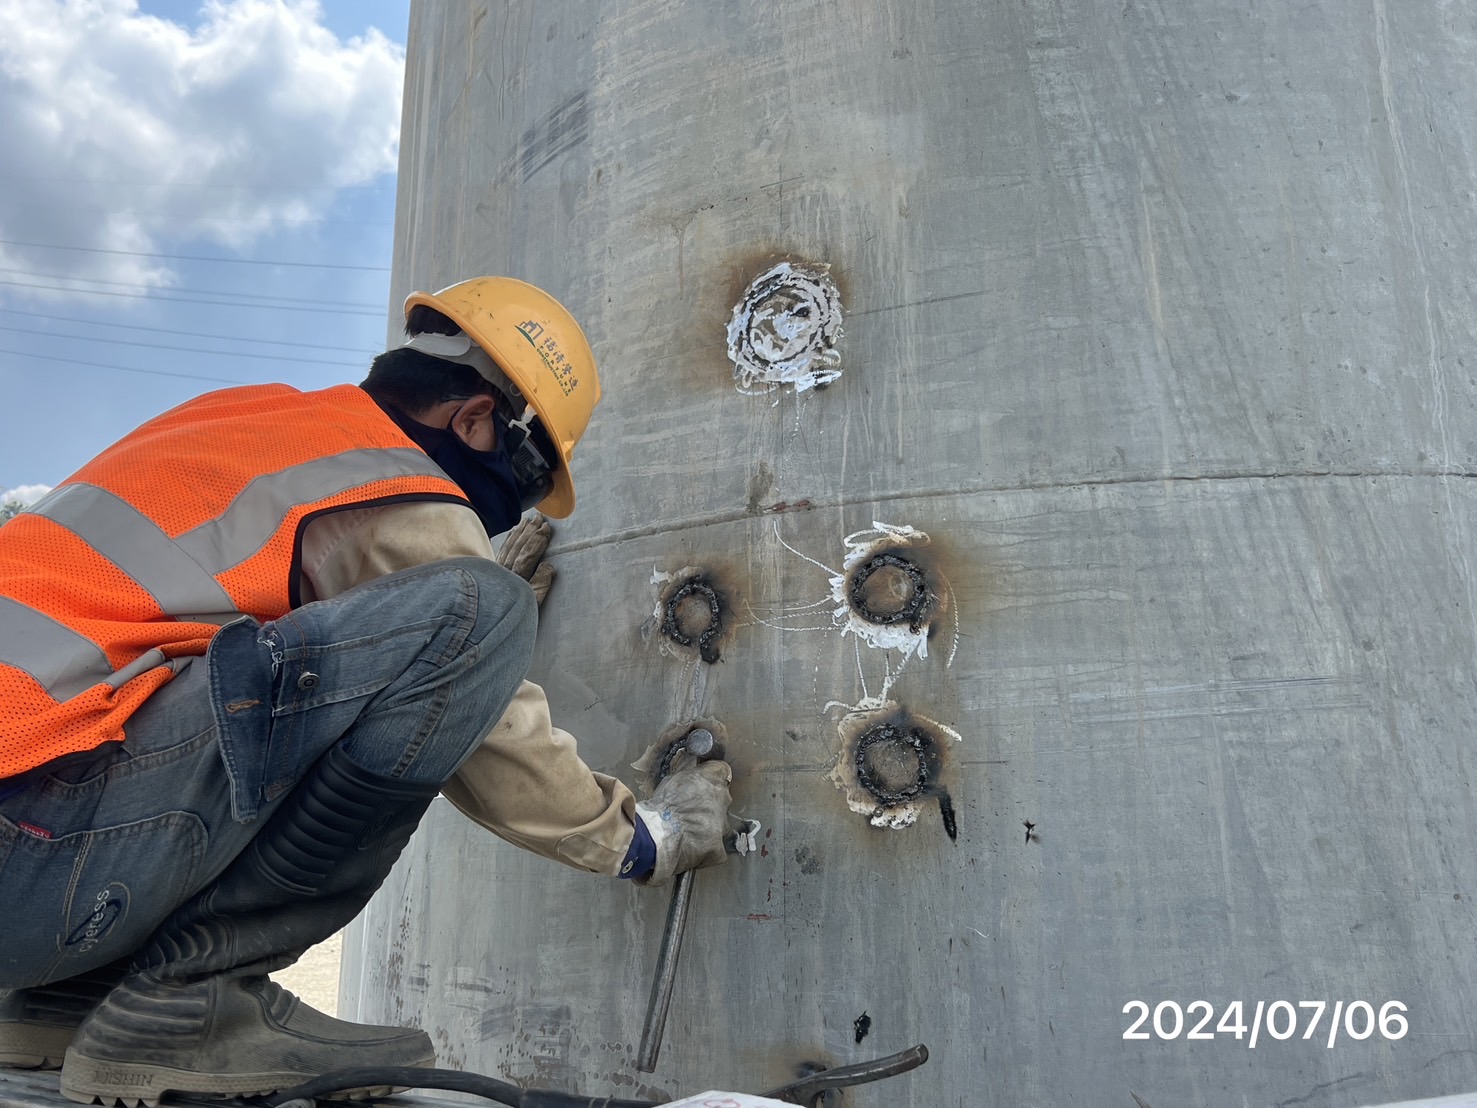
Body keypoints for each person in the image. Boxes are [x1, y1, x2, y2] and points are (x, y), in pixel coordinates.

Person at [0, 277, 734, 1104]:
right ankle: (194, 1001)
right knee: (475, 607)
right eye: (525, 479)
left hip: (33, 846)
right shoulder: (392, 482)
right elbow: (497, 735)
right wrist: (645, 841)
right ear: (474, 421)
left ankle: (64, 998)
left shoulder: (256, 419)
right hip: (32, 852)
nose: (504, 509)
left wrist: (410, 612)